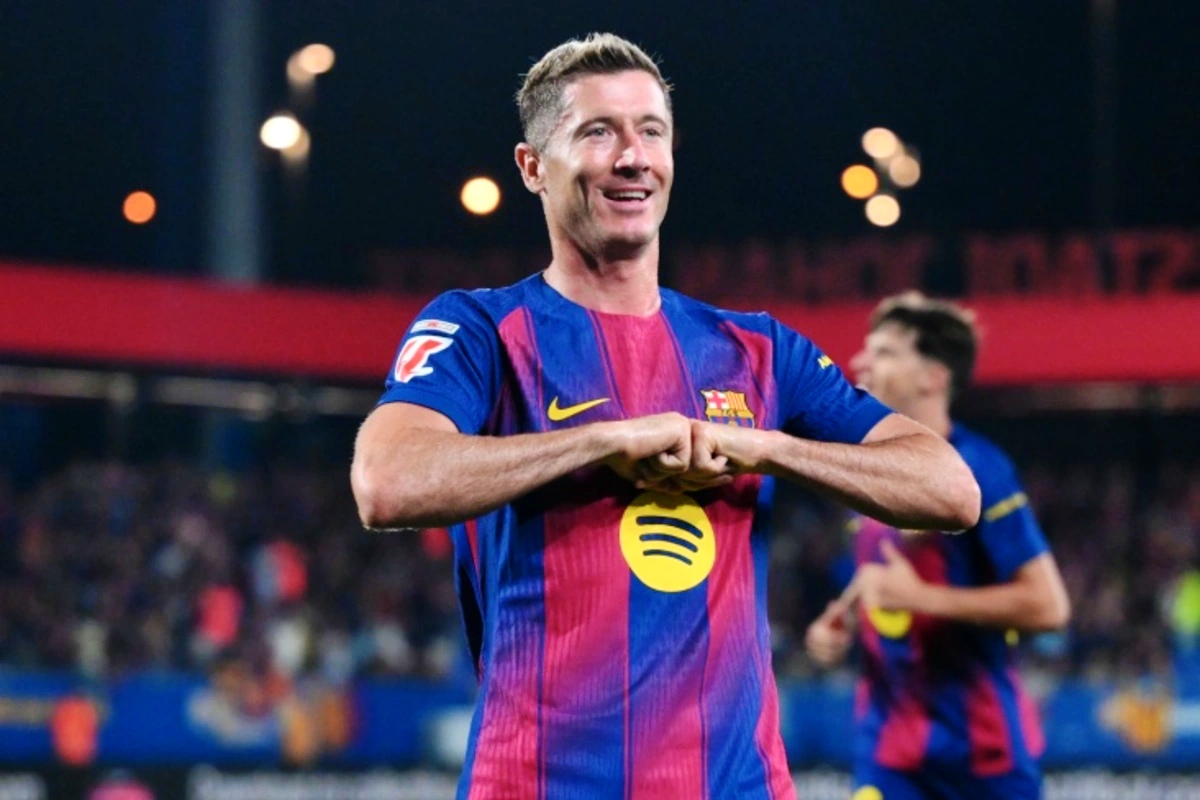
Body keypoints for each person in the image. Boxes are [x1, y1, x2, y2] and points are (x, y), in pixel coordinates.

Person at [351, 34, 980, 799]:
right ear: (532, 167)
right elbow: (386, 481)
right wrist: (601, 442)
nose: (633, 157)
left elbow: (951, 490)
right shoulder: (480, 329)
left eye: (651, 131)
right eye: (598, 132)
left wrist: (767, 449)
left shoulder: (757, 349)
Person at [804, 292, 1071, 800]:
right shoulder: (865, 465)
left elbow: (1048, 607)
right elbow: (883, 577)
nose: (860, 363)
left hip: (979, 761)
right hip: (887, 757)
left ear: (933, 377)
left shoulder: (980, 469)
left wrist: (920, 598)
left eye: (884, 352)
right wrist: (841, 618)